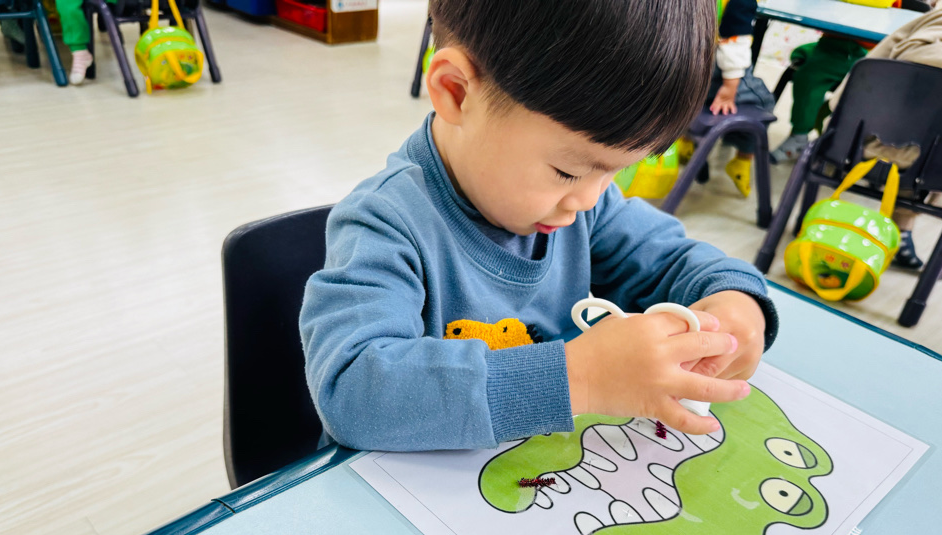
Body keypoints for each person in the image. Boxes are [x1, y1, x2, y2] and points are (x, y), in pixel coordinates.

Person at [299, 0, 778, 453]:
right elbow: (352, 393)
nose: (589, 198)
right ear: (457, 92)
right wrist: (582, 377)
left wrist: (735, 303)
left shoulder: (582, 204)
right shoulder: (383, 224)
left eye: (616, 172)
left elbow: (673, 261)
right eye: (568, 171)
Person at [828, 0, 942, 270]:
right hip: (927, 161)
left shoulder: (940, 20)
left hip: (864, 144)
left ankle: (899, 228)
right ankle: (902, 228)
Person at [771, 2, 903, 164]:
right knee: (808, 69)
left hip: (863, 50)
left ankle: (806, 134)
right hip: (832, 43)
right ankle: (809, 132)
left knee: (810, 76)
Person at [703, 0, 776, 197]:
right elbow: (733, 41)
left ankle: (687, 143)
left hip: (682, 69)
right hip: (714, 73)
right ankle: (742, 159)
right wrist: (730, 86)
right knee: (764, 102)